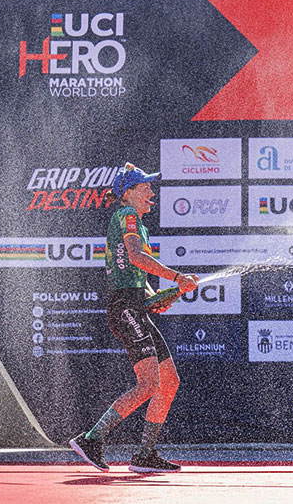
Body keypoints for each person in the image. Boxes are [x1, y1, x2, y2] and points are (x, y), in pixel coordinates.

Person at [69, 163, 198, 472]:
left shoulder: (138, 223)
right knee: (149, 384)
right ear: (128, 193)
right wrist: (177, 277)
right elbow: (137, 257)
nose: (151, 192)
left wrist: (162, 296)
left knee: (169, 382)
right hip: (125, 306)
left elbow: (138, 278)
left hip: (133, 305)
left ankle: (145, 455)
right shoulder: (126, 214)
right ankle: (92, 438)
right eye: (145, 187)